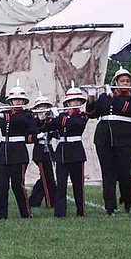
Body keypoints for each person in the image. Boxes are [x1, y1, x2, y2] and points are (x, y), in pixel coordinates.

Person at [86, 67, 131, 215]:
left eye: (127, 81)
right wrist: (91, 97)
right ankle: (110, 206)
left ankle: (127, 200)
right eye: (122, 81)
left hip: (127, 140)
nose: (125, 83)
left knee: (125, 173)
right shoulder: (104, 97)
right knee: (108, 173)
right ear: (115, 82)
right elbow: (91, 113)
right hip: (104, 139)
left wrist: (113, 96)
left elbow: (127, 109)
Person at [0, 82, 36, 220]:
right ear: (10, 101)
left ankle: (26, 214)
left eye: (20, 99)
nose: (17, 101)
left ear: (23, 101)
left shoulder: (28, 114)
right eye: (15, 99)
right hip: (3, 153)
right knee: (2, 186)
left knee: (18, 186)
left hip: (19, 153)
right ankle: (0, 215)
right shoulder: (3, 115)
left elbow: (19, 121)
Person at [50, 84, 89, 216]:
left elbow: (75, 124)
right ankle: (60, 213)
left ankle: (81, 211)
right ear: (67, 102)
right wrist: (46, 117)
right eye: (73, 101)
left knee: (78, 185)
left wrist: (58, 118)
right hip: (62, 152)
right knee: (61, 185)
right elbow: (50, 126)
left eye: (78, 101)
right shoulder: (61, 116)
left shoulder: (82, 116)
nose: (76, 103)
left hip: (76, 151)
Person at [27, 93, 59, 214]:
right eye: (40, 106)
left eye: (45, 106)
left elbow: (56, 133)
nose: (43, 108)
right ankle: (51, 201)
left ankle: (34, 200)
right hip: (40, 150)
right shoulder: (32, 120)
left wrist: (56, 118)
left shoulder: (50, 119)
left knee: (46, 176)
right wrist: (37, 134)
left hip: (49, 149)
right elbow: (30, 133)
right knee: (47, 177)